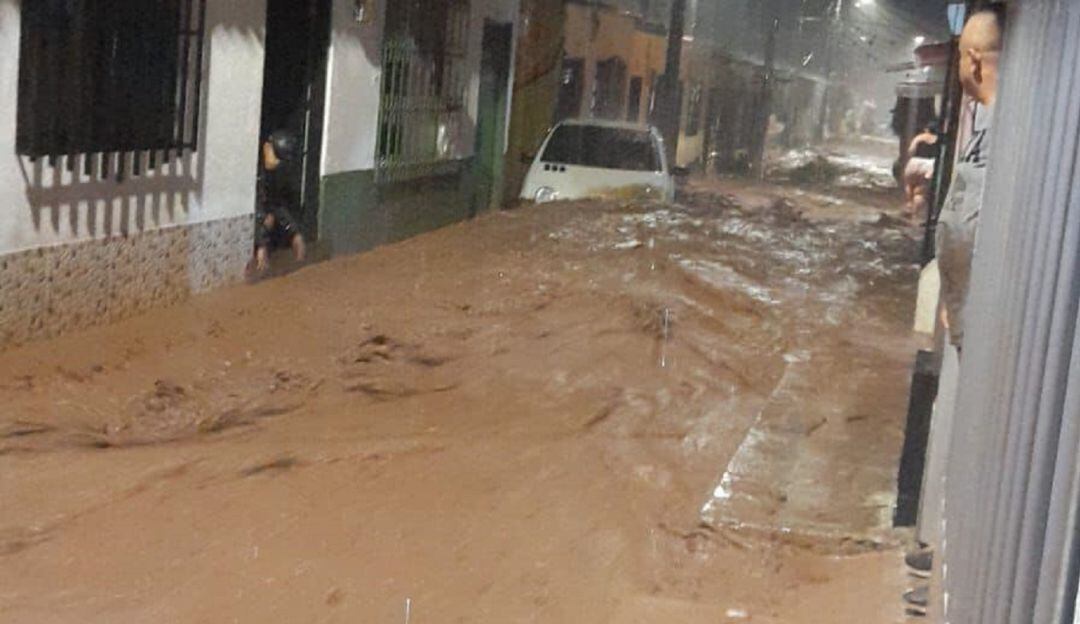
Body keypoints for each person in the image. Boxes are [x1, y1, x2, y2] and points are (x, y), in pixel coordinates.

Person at [936, 4, 1004, 350]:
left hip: (981, 338)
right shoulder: (987, 124)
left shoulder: (1003, 139)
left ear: (974, 61)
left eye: (961, 56)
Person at [253, 130, 306, 273]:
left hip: (274, 202)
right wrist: (267, 214)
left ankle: (301, 264)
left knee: (293, 229)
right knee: (263, 228)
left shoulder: (282, 166)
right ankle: (261, 265)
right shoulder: (262, 159)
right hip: (259, 204)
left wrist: (272, 211)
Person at [904, 123, 940, 223]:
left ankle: (909, 205)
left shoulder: (920, 137)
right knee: (920, 192)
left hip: (915, 162)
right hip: (929, 165)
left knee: (909, 185)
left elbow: (911, 150)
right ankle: (915, 216)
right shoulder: (938, 140)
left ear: (927, 129)